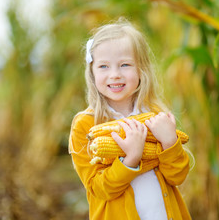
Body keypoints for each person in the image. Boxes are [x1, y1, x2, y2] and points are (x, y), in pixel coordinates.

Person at [68, 18, 191, 220]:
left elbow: (177, 176)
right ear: (92, 72)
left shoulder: (155, 114)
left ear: (141, 70)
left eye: (125, 65)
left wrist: (170, 143)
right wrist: (131, 159)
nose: (115, 74)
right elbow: (99, 189)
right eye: (104, 66)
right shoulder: (86, 125)